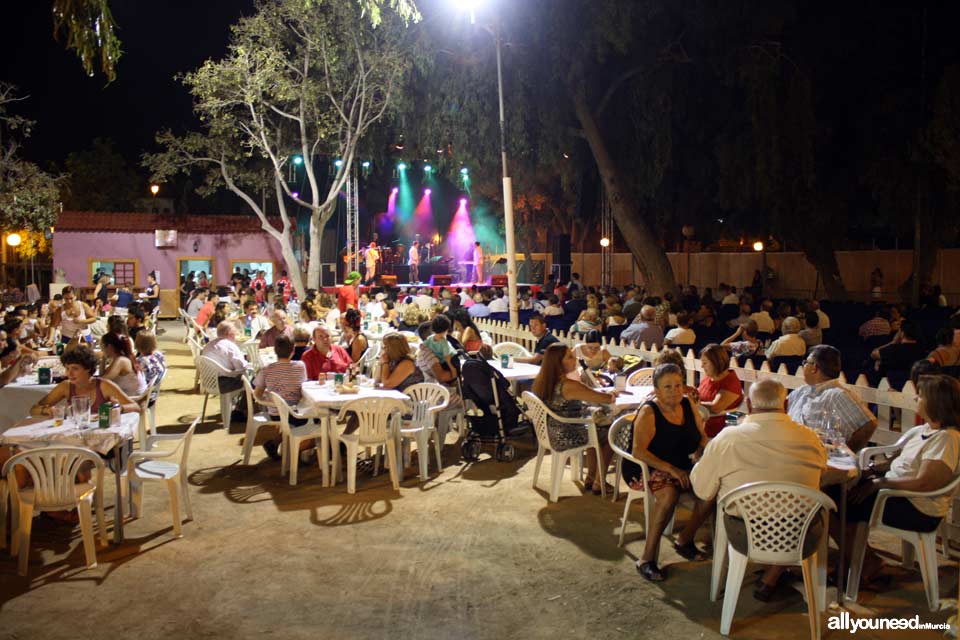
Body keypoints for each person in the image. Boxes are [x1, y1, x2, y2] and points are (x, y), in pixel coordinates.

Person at [693, 379, 828, 600]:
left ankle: (771, 571)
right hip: (799, 535)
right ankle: (777, 572)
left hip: (745, 534)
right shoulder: (810, 438)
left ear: (748, 403)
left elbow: (702, 490)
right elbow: (821, 474)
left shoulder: (729, 439)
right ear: (784, 403)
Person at [826, 374, 960, 589]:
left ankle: (860, 565)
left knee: (837, 502)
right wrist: (871, 471)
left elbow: (927, 482)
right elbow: (899, 462)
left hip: (917, 507)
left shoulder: (946, 438)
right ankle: (862, 560)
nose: (916, 399)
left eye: (921, 396)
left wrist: (880, 484)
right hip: (897, 493)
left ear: (936, 402)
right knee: (836, 492)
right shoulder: (924, 430)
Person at [624, 363, 710, 581]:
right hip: (647, 466)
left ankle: (685, 539)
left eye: (678, 385)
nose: (675, 391)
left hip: (681, 463)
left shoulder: (687, 404)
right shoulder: (649, 411)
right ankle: (647, 558)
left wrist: (703, 450)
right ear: (656, 390)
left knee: (712, 489)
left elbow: (701, 436)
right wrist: (672, 470)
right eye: (668, 387)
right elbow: (638, 451)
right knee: (669, 494)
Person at [531, 343, 617, 495]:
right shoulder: (568, 385)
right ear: (559, 363)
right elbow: (603, 398)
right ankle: (599, 481)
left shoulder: (542, 381)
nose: (575, 358)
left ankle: (591, 477)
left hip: (549, 431)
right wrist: (612, 395)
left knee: (595, 428)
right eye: (570, 357)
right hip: (566, 435)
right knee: (612, 433)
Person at [787, 345, 877, 452]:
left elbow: (868, 425)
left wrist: (846, 454)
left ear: (814, 368)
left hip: (816, 458)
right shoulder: (801, 391)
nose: (803, 366)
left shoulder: (836, 394)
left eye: (805, 363)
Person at [31, 344, 140, 417]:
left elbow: (136, 407)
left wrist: (118, 409)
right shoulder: (66, 386)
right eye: (67, 368)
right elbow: (33, 410)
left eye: (75, 369)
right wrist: (46, 410)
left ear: (87, 368)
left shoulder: (103, 386)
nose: (69, 373)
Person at [253, 335, 309, 461]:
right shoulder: (300, 366)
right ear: (293, 350)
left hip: (275, 411)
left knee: (292, 423)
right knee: (313, 420)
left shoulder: (267, 369)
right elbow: (302, 388)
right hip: (295, 412)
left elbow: (257, 394)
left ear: (275, 351)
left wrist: (269, 397)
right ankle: (296, 452)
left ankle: (275, 443)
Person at [697, 344, 743, 437]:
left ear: (717, 363)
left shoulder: (730, 382)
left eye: (705, 363)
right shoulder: (709, 378)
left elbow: (715, 407)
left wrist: (691, 402)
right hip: (701, 423)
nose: (702, 366)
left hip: (719, 431)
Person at [201, 321, 251, 394]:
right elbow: (241, 367)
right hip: (223, 384)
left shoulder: (209, 345)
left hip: (207, 382)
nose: (236, 335)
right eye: (235, 333)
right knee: (252, 381)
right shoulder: (230, 346)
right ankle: (244, 405)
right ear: (230, 334)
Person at [101, 332, 147, 398]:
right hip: (135, 398)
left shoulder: (121, 361)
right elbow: (103, 376)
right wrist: (103, 358)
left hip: (133, 401)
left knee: (97, 404)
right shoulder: (126, 357)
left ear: (109, 346)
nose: (102, 349)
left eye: (102, 346)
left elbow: (102, 381)